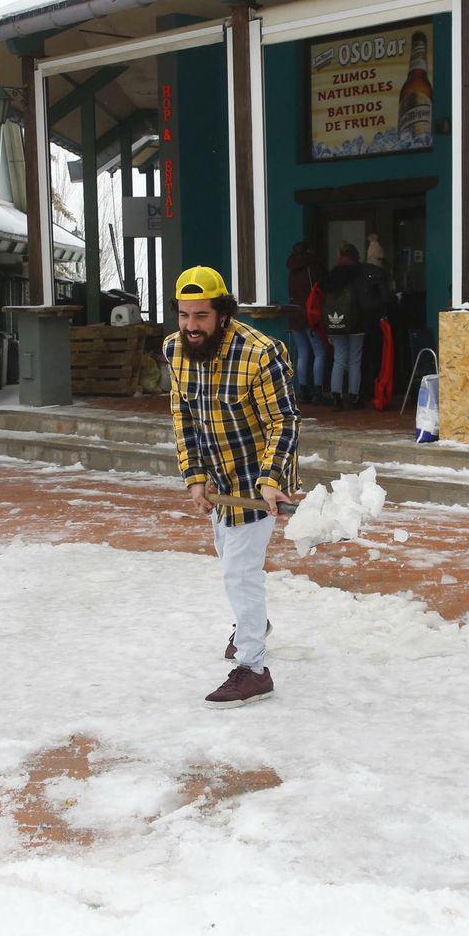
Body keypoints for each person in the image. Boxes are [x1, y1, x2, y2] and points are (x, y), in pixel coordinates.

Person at [164, 265, 300, 708]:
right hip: (217, 476)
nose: (190, 326)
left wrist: (271, 478)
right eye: (184, 316)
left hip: (258, 478)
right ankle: (254, 624)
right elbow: (184, 416)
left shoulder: (260, 353)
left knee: (239, 571)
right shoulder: (176, 351)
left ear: (222, 314)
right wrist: (195, 475)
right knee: (231, 559)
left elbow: (284, 420)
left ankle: (253, 669)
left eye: (200, 316)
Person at [321, 242, 390, 409]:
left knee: (339, 359)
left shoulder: (333, 274)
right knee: (355, 360)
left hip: (335, 322)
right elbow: (365, 300)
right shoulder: (360, 272)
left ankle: (336, 397)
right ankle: (353, 397)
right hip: (357, 322)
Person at [284, 241, 326, 404]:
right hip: (309, 313)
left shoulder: (292, 269)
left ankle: (303, 390)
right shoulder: (312, 267)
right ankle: (317, 391)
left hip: (294, 313)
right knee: (319, 352)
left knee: (302, 353)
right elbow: (319, 289)